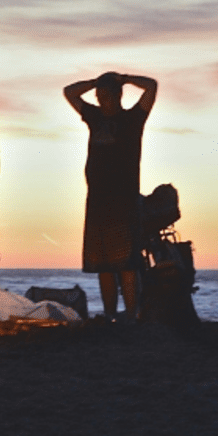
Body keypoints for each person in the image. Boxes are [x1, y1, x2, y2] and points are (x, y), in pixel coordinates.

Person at [63, 71, 158, 319]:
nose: (100, 99)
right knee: (103, 265)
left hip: (124, 202)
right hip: (97, 202)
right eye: (98, 95)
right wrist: (95, 81)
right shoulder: (93, 117)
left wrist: (124, 78)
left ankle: (131, 314)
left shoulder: (133, 119)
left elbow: (151, 87)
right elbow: (69, 92)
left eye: (105, 94)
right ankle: (109, 314)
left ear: (117, 95)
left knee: (126, 264)